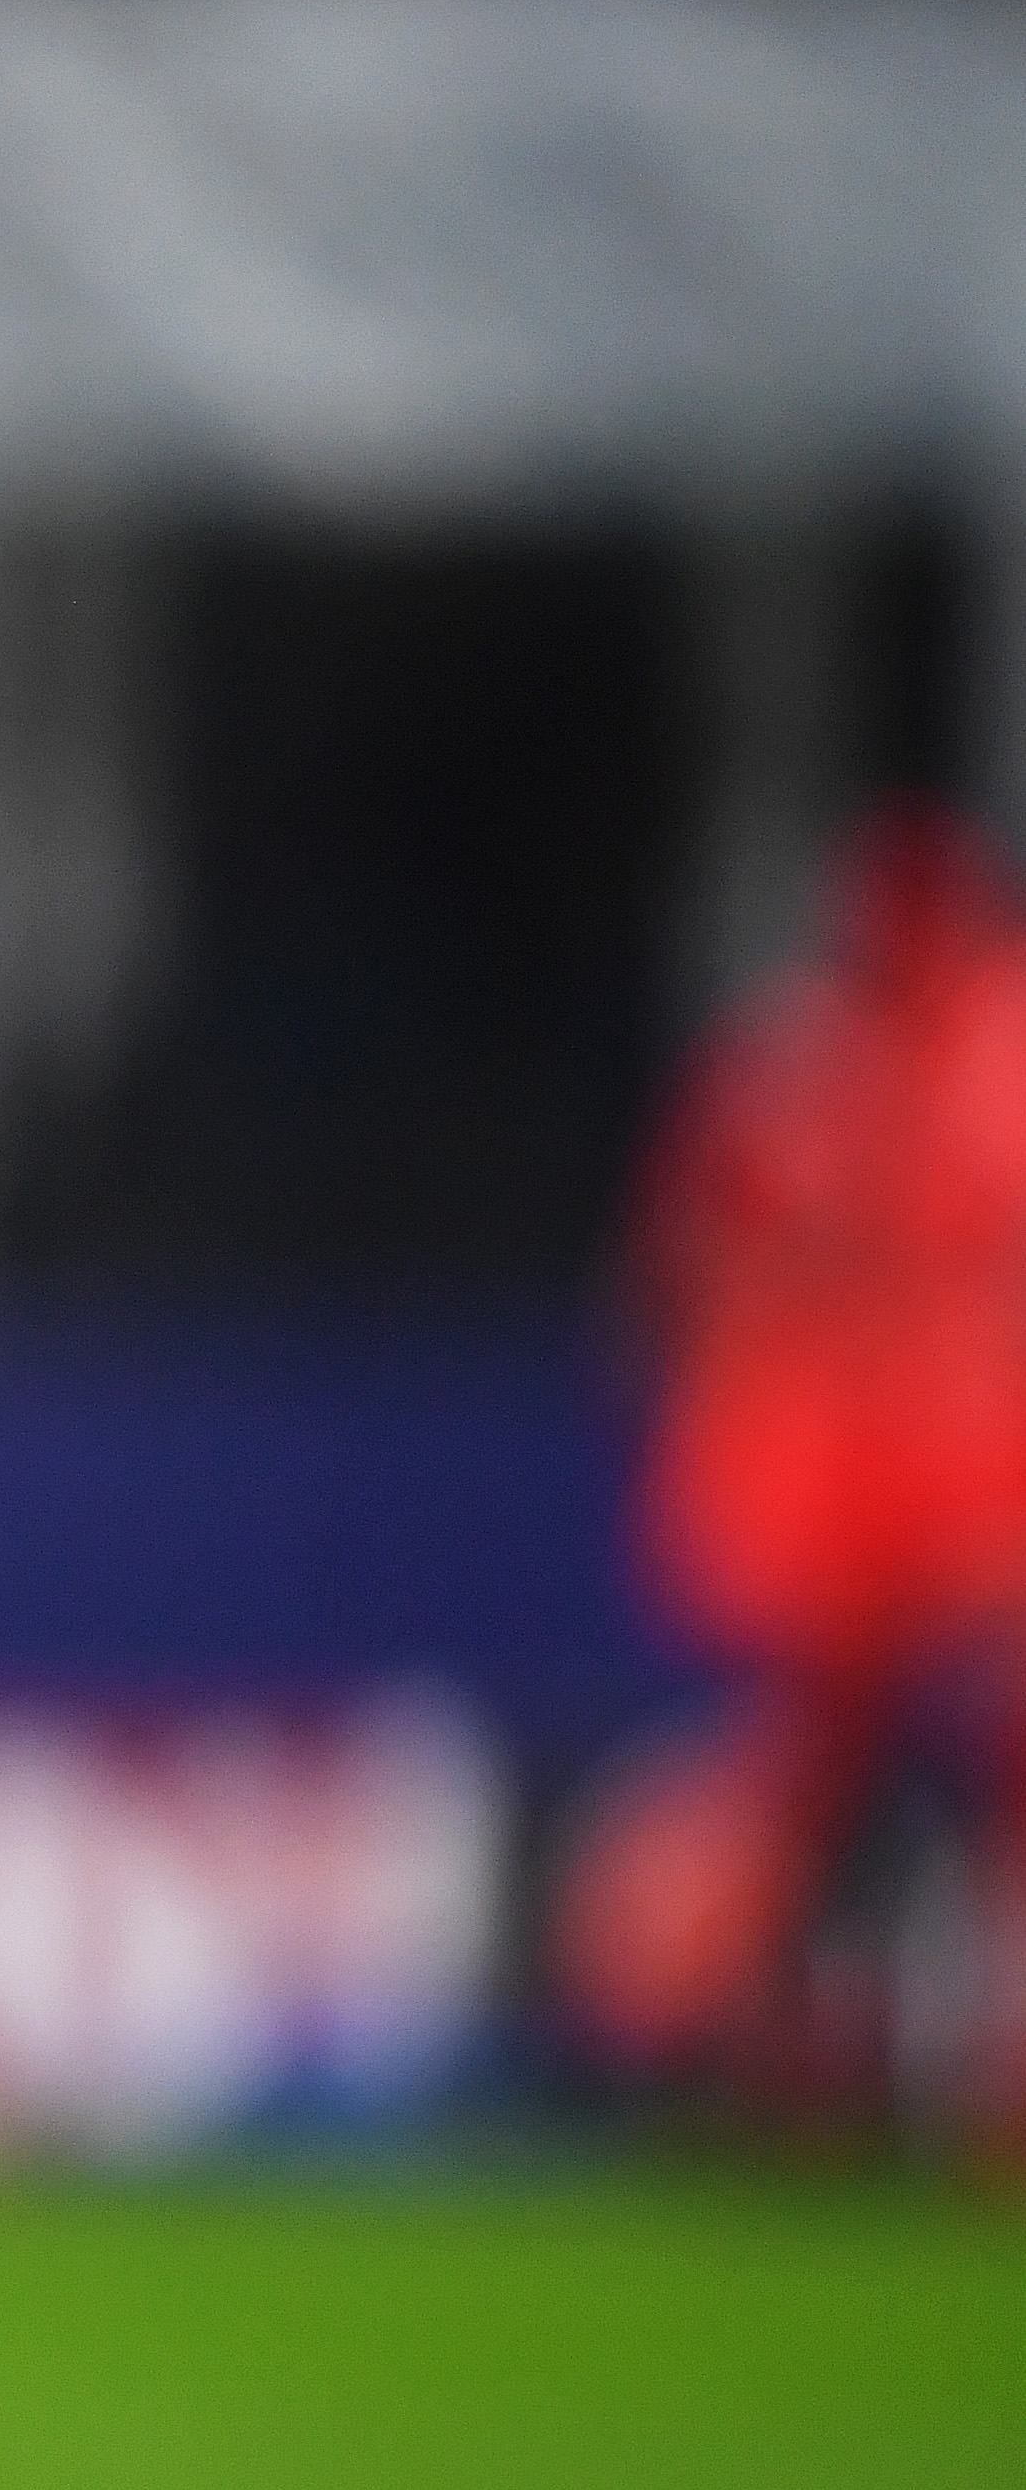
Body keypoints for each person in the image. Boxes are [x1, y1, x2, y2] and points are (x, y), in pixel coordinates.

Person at [561, 802, 1026, 2150]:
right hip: (851, 1488)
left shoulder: (820, 1057)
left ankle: (775, 2036)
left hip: (909, 1485)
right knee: (799, 1778)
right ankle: (722, 2035)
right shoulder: (810, 1064)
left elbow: (651, 1290)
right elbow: (661, 1282)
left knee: (850, 1771)